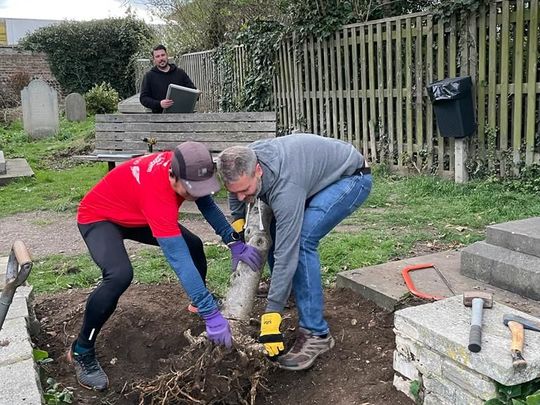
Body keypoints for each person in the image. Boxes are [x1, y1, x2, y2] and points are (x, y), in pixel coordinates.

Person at [69, 141, 263, 391]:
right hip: (100, 217)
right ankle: (81, 350)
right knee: (119, 275)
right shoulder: (157, 193)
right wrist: (211, 314)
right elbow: (178, 259)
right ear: (172, 176)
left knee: (194, 245)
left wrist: (232, 241)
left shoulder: (190, 167)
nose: (194, 195)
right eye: (189, 190)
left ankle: (197, 302)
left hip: (136, 213)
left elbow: (207, 204)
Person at [216, 134, 373, 371]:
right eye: (234, 191)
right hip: (311, 173)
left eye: (245, 190)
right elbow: (235, 189)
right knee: (277, 231)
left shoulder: (285, 187)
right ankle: (288, 289)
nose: (240, 196)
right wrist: (238, 221)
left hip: (350, 178)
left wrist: (271, 316)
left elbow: (286, 253)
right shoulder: (243, 159)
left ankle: (317, 334)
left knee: (301, 242)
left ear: (258, 171)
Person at [140, 44, 196, 113]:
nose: (161, 58)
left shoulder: (180, 73)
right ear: (154, 59)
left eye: (163, 55)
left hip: (181, 117)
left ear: (167, 55)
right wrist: (159, 104)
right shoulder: (149, 76)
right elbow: (143, 98)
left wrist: (196, 95)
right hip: (159, 119)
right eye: (157, 56)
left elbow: (193, 91)